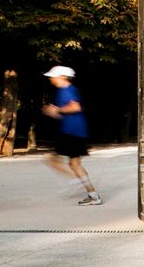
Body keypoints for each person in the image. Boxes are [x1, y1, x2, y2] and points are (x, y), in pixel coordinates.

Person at [42, 65, 101, 205]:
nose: (51, 78)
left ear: (62, 77)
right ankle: (93, 195)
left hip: (72, 132)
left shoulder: (66, 90)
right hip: (75, 131)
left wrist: (57, 109)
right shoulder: (66, 90)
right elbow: (68, 111)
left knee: (52, 160)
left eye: (53, 76)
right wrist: (55, 112)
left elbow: (75, 107)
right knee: (74, 164)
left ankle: (74, 182)